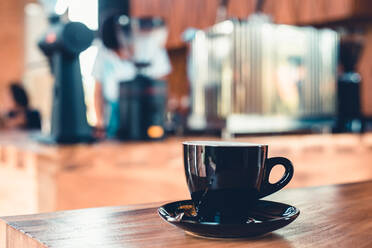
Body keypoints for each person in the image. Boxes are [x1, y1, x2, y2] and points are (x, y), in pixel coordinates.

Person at [92, 14, 171, 138]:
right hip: (113, 118)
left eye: (120, 49)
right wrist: (100, 123)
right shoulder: (103, 53)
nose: (119, 55)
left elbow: (161, 89)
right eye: (115, 52)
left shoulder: (151, 45)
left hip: (147, 113)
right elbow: (98, 92)